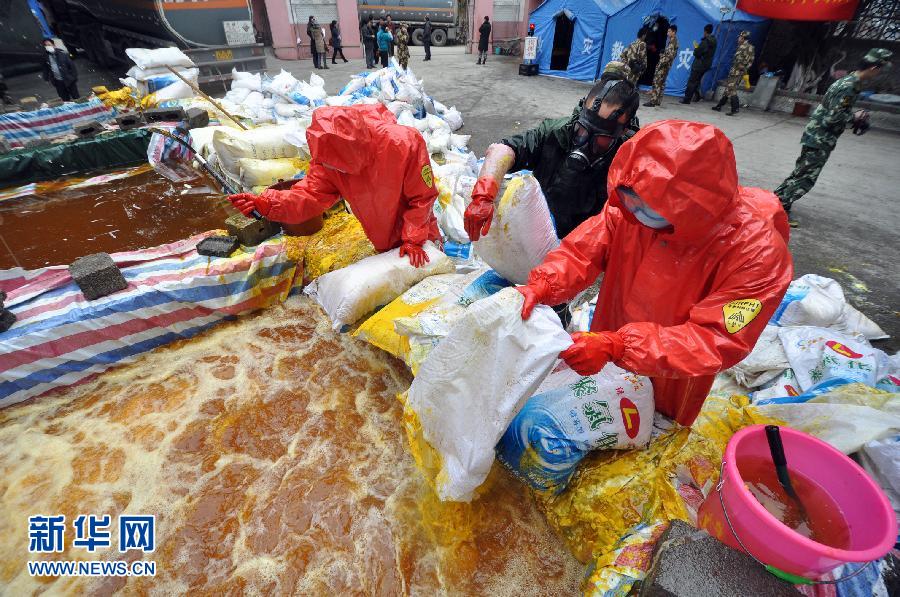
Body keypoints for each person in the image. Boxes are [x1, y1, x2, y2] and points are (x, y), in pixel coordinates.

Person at [516, 120, 793, 426]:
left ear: (690, 207)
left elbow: (715, 338)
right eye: (631, 200)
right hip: (604, 345)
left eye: (647, 206)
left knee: (649, 436)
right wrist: (544, 285)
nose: (635, 211)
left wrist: (620, 346)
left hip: (672, 377)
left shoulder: (757, 253)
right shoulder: (631, 206)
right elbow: (581, 252)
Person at [227, 104, 440, 267]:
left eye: (344, 166)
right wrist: (269, 204)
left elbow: (422, 198)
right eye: (334, 166)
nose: (341, 173)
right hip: (382, 238)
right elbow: (310, 195)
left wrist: (413, 238)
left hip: (419, 235)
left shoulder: (403, 143)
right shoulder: (329, 157)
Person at [464, 67, 640, 244]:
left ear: (623, 131)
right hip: (539, 231)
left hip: (587, 247)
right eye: (582, 132)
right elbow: (503, 149)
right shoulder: (555, 133)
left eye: (601, 140)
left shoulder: (629, 160)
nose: (585, 144)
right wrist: (483, 196)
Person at [774, 48, 892, 224]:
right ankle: (779, 210)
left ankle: (776, 202)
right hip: (820, 138)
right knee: (806, 178)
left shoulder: (850, 81)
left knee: (800, 173)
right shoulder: (849, 86)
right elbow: (832, 118)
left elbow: (835, 110)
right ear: (874, 68)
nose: (879, 73)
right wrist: (855, 117)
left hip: (817, 135)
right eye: (880, 70)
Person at [712, 31, 754, 116]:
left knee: (731, 89)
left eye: (739, 37)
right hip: (742, 72)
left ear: (742, 38)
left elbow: (738, 61)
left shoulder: (742, 47)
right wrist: (744, 69)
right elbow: (750, 62)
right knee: (728, 89)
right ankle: (719, 106)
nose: (738, 39)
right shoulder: (751, 47)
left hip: (736, 71)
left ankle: (735, 108)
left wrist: (738, 68)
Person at [681, 24, 716, 104]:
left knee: (692, 81)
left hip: (699, 64)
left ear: (705, 31)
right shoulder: (714, 41)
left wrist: (696, 48)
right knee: (697, 81)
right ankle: (697, 96)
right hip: (706, 65)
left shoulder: (706, 41)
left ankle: (687, 99)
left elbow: (697, 53)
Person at [644, 25, 678, 107]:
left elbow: (669, 56)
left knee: (657, 82)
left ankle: (653, 101)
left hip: (663, 66)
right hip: (666, 66)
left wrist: (661, 59)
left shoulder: (673, 43)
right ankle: (658, 101)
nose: (667, 33)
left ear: (674, 32)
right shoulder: (672, 41)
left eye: (669, 31)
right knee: (661, 83)